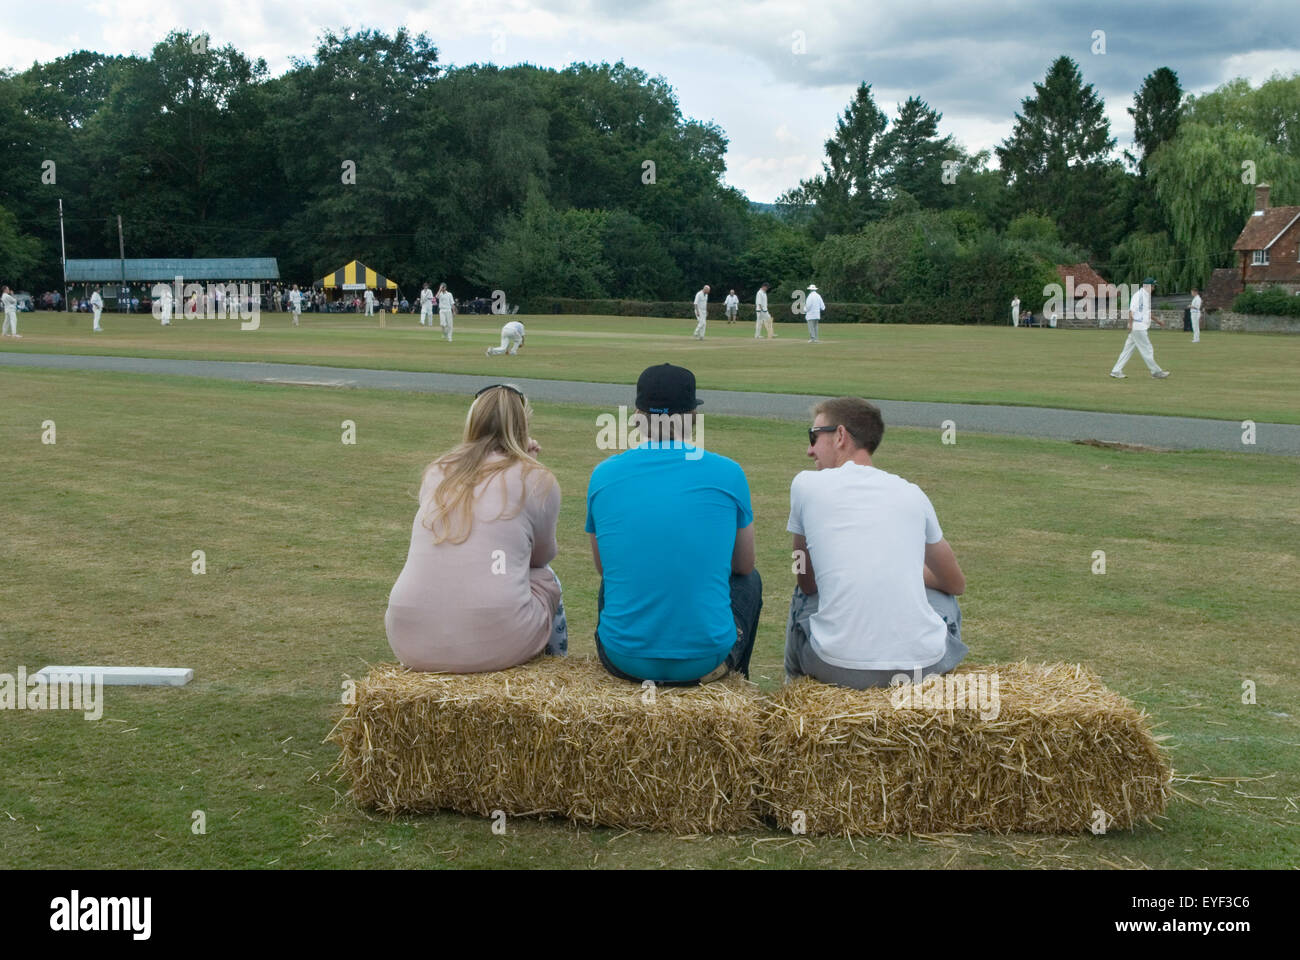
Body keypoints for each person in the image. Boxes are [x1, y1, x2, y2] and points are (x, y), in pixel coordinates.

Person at [586, 363, 762, 685]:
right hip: (704, 660)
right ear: (692, 418)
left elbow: (603, 568)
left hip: (623, 658)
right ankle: (735, 676)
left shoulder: (603, 475)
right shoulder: (729, 472)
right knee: (750, 581)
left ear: (637, 417)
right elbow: (744, 565)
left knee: (617, 574)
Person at [785, 397, 967, 689]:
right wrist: (901, 565)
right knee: (943, 598)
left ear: (840, 436)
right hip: (924, 667)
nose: (809, 450)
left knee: (802, 596)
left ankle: (791, 692)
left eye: (814, 436)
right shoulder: (912, 493)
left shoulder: (805, 484)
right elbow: (954, 583)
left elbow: (807, 583)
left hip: (834, 666)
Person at [385, 384, 567, 672]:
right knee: (546, 578)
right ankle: (558, 665)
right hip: (499, 638)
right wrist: (528, 464)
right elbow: (541, 557)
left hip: (407, 639)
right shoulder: (537, 478)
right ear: (523, 424)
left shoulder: (438, 470)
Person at [1109, 278, 1169, 379]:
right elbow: (1131, 310)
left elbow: (1148, 313)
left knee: (1127, 350)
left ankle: (1116, 371)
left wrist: (1158, 322)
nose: (1154, 288)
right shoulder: (1139, 295)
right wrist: (1130, 324)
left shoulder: (1146, 296)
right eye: (1153, 286)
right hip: (1138, 326)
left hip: (1139, 327)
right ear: (1147, 286)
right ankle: (1156, 372)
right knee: (1147, 349)